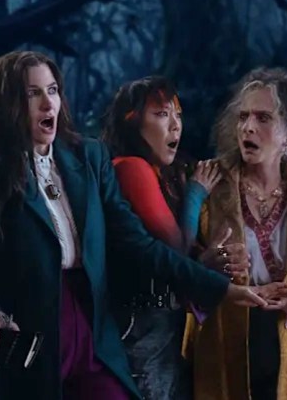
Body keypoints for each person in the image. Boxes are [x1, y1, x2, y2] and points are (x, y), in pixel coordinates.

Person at [0, 51, 269, 400]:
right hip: (34, 330)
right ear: (8, 104)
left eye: (53, 90)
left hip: (93, 318)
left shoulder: (88, 156)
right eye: (32, 93)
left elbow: (138, 243)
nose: (48, 103)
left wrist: (220, 288)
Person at [183, 67, 287, 400]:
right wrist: (209, 264)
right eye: (243, 117)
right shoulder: (208, 181)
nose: (248, 127)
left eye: (263, 118)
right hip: (224, 338)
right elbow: (176, 262)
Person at [100, 75, 222, 399]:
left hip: (164, 325)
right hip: (143, 328)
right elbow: (175, 248)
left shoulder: (160, 173)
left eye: (178, 114)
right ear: (131, 121)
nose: (175, 125)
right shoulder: (131, 167)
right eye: (161, 114)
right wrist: (195, 195)